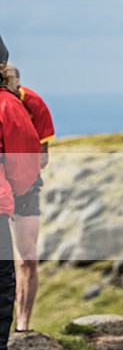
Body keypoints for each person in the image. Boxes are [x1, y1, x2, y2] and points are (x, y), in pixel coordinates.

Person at [0, 39, 43, 350]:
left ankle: (24, 324)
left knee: (23, 261)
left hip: (14, 196)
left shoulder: (27, 103)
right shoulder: (8, 104)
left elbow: (36, 153)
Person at [6, 64, 55, 332]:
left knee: (27, 258)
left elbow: (43, 157)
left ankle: (23, 324)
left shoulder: (33, 103)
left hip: (25, 186)